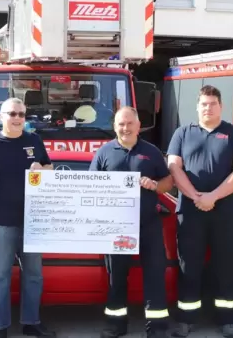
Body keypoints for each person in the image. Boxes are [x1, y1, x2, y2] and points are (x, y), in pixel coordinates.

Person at [166, 85, 233, 338]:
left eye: (213, 103)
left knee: (225, 264)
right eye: (204, 103)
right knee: (188, 265)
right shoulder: (182, 133)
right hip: (190, 212)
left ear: (220, 106)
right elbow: (174, 167)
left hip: (225, 211)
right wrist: (195, 197)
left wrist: (213, 196)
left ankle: (227, 320)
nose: (208, 108)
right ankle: (186, 319)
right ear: (197, 106)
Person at [0, 97, 55, 338]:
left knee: (34, 276)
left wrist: (42, 170)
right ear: (1, 116)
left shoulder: (34, 140)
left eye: (21, 114)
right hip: (3, 223)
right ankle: (0, 327)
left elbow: (50, 169)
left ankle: (31, 322)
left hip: (34, 222)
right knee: (0, 277)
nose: (18, 118)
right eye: (12, 114)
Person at [89, 107, 173, 338]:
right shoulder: (104, 153)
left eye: (129, 124)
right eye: (120, 124)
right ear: (115, 126)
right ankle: (116, 325)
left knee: (155, 275)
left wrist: (155, 185)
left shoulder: (151, 152)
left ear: (138, 126)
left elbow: (168, 180)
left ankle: (156, 328)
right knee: (117, 276)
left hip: (148, 224)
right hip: (115, 227)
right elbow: (89, 186)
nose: (125, 128)